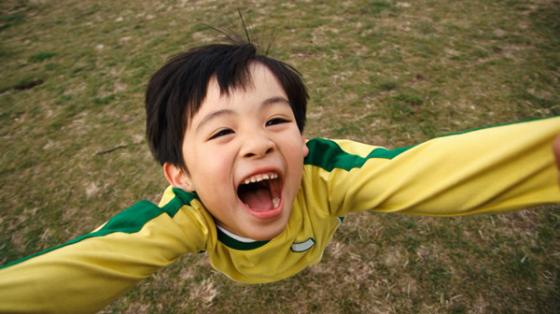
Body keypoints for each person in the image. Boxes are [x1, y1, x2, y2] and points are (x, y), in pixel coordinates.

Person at [1, 42, 559, 313]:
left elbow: (423, 173)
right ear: (182, 174)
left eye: (276, 120)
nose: (260, 141)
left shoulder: (324, 174)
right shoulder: (182, 217)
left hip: (308, 248)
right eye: (222, 133)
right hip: (243, 272)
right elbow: (88, 263)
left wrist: (544, 157)